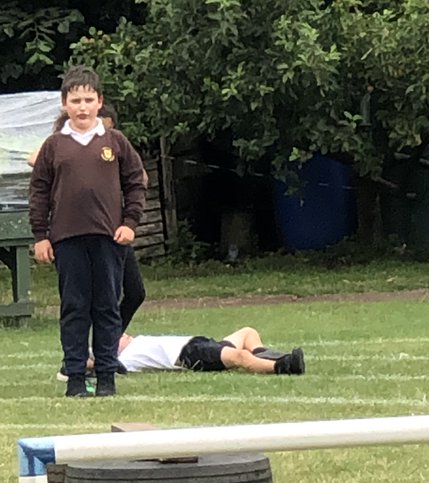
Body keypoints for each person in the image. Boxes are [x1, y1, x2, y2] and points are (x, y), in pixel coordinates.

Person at [28, 65, 146, 399]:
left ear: (99, 102)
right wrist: (41, 235)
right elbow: (38, 191)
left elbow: (136, 183)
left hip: (109, 238)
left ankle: (106, 375)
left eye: (88, 99)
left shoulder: (115, 142)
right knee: (74, 307)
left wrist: (130, 223)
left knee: (107, 306)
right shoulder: (53, 146)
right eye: (75, 100)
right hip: (67, 238)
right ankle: (76, 376)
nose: (82, 106)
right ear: (64, 103)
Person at [115, 326, 305, 375]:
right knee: (240, 356)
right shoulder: (127, 358)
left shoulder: (135, 342)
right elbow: (91, 361)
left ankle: (261, 353)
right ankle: (283, 366)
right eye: (117, 337)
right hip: (190, 355)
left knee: (247, 332)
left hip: (199, 343)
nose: (122, 333)